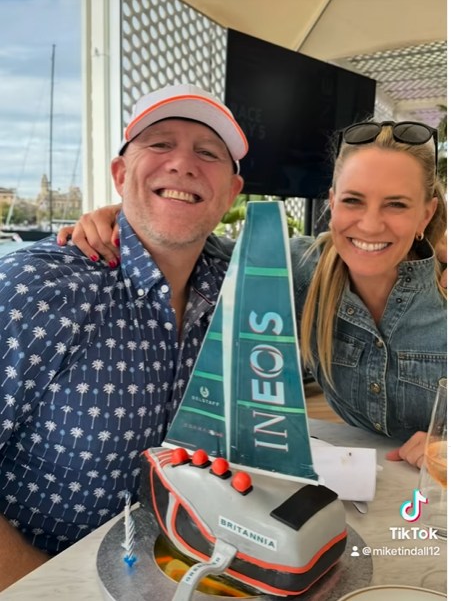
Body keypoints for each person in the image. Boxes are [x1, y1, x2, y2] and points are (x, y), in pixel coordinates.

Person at [62, 120, 447, 471]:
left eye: (396, 204)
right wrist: (126, 211)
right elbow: (190, 239)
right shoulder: (296, 267)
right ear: (331, 203)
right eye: (353, 200)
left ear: (425, 215)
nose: (370, 223)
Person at [0, 84, 246, 590]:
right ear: (120, 174)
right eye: (159, 144)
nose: (182, 163)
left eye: (207, 153)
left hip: (176, 572)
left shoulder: (238, 288)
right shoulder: (38, 288)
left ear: (230, 193)